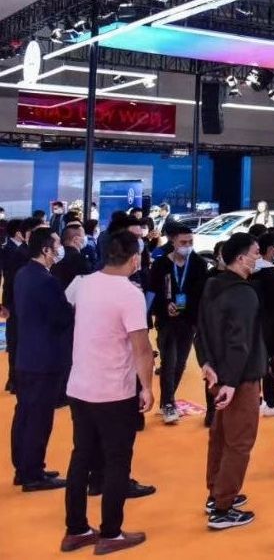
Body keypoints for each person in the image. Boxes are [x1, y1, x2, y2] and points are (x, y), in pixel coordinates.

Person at [60, 230, 153, 555]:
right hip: (114, 390)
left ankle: (76, 530)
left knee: (81, 457)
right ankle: (111, 533)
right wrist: (147, 387)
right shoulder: (129, 294)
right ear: (135, 258)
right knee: (117, 461)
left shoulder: (84, 284)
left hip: (80, 385)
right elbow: (141, 348)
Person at [195, 233, 264, 530]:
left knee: (220, 437)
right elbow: (240, 343)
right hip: (240, 380)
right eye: (255, 253)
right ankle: (223, 507)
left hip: (217, 374)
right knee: (240, 442)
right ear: (241, 258)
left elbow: (200, 330)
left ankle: (216, 493)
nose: (258, 257)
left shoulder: (212, 285)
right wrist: (233, 383)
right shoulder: (244, 294)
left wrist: (206, 364)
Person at [10, 227, 74, 491]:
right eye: (57, 245)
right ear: (46, 250)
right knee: (39, 418)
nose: (60, 249)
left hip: (26, 355)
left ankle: (24, 468)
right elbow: (62, 318)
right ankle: (33, 473)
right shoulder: (47, 281)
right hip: (45, 359)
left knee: (25, 414)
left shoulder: (23, 274)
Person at [149, 223, 211, 425]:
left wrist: (190, 311)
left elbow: (201, 294)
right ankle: (168, 403)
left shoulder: (199, 264)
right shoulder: (160, 265)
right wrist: (163, 306)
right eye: (183, 242)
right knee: (169, 361)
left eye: (190, 242)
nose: (187, 246)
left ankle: (168, 399)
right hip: (166, 321)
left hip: (189, 321)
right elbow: (152, 292)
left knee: (181, 363)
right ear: (173, 241)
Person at [251, 232, 274, 417]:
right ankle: (271, 401)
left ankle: (255, 399)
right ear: (271, 249)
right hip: (269, 326)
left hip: (251, 324)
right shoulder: (273, 275)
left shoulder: (250, 271)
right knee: (270, 362)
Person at [2, 217, 37, 392]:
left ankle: (15, 380)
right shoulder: (20, 254)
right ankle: (15, 381)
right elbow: (9, 282)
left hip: (18, 306)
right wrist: (5, 305)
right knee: (17, 343)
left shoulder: (26, 252)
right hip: (17, 307)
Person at [52, 225, 93, 289]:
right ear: (75, 239)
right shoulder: (81, 260)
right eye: (83, 236)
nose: (85, 238)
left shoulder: (54, 258)